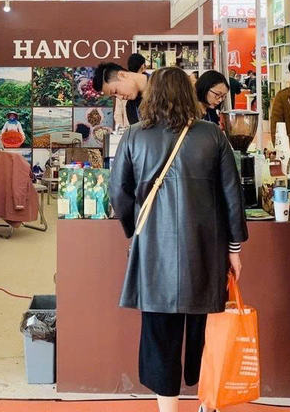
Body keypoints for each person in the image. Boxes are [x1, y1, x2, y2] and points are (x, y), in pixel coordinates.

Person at [110, 66, 247, 412]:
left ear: (152, 96)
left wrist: (135, 230)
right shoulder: (212, 135)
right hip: (205, 249)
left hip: (153, 249)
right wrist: (234, 248)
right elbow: (233, 195)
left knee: (159, 333)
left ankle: (168, 409)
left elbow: (118, 193)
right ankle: (208, 403)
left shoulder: (134, 136)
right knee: (209, 327)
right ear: (189, 94)